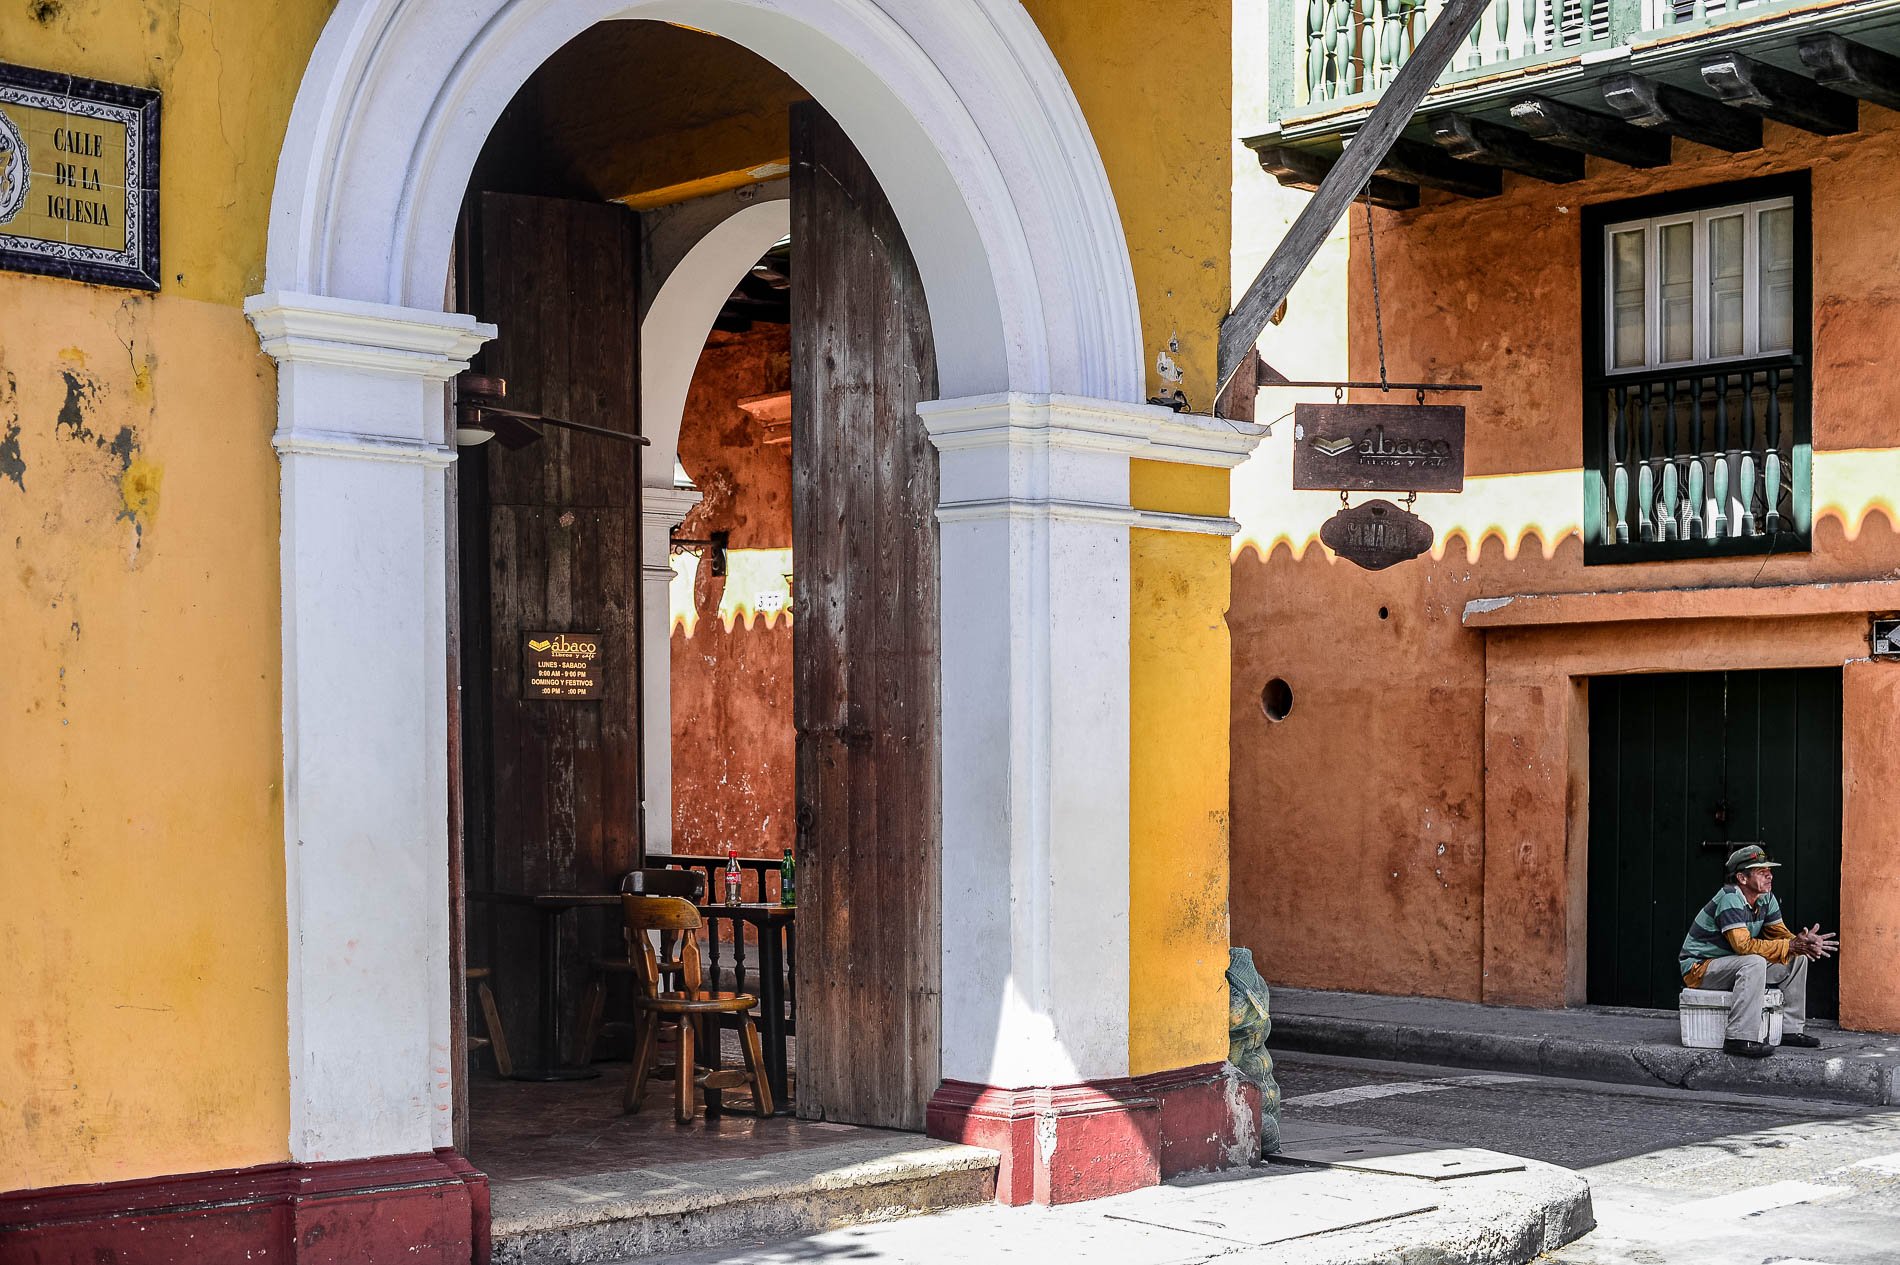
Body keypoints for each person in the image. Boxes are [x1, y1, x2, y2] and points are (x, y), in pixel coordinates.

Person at [1679, 844, 1837, 1058]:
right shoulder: (1730, 897)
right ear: (1742, 878)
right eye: (1761, 872)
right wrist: (1790, 945)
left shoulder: (1766, 898)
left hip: (1731, 964)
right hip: (1700, 968)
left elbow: (1780, 935)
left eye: (1769, 871)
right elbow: (1743, 946)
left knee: (1797, 959)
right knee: (1754, 961)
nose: (1769, 876)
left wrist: (1803, 942)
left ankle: (1789, 1030)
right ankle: (1738, 1038)